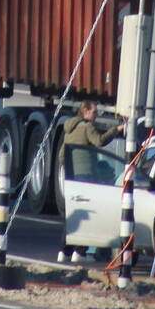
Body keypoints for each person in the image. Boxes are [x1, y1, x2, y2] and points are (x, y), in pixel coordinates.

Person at [58, 100, 125, 262]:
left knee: (74, 214)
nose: (96, 115)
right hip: (86, 176)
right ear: (85, 111)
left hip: (72, 175)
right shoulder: (87, 127)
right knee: (91, 213)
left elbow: (62, 155)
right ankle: (80, 253)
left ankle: (64, 252)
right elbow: (99, 141)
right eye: (94, 112)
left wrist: (70, 167)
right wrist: (116, 129)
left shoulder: (69, 129)